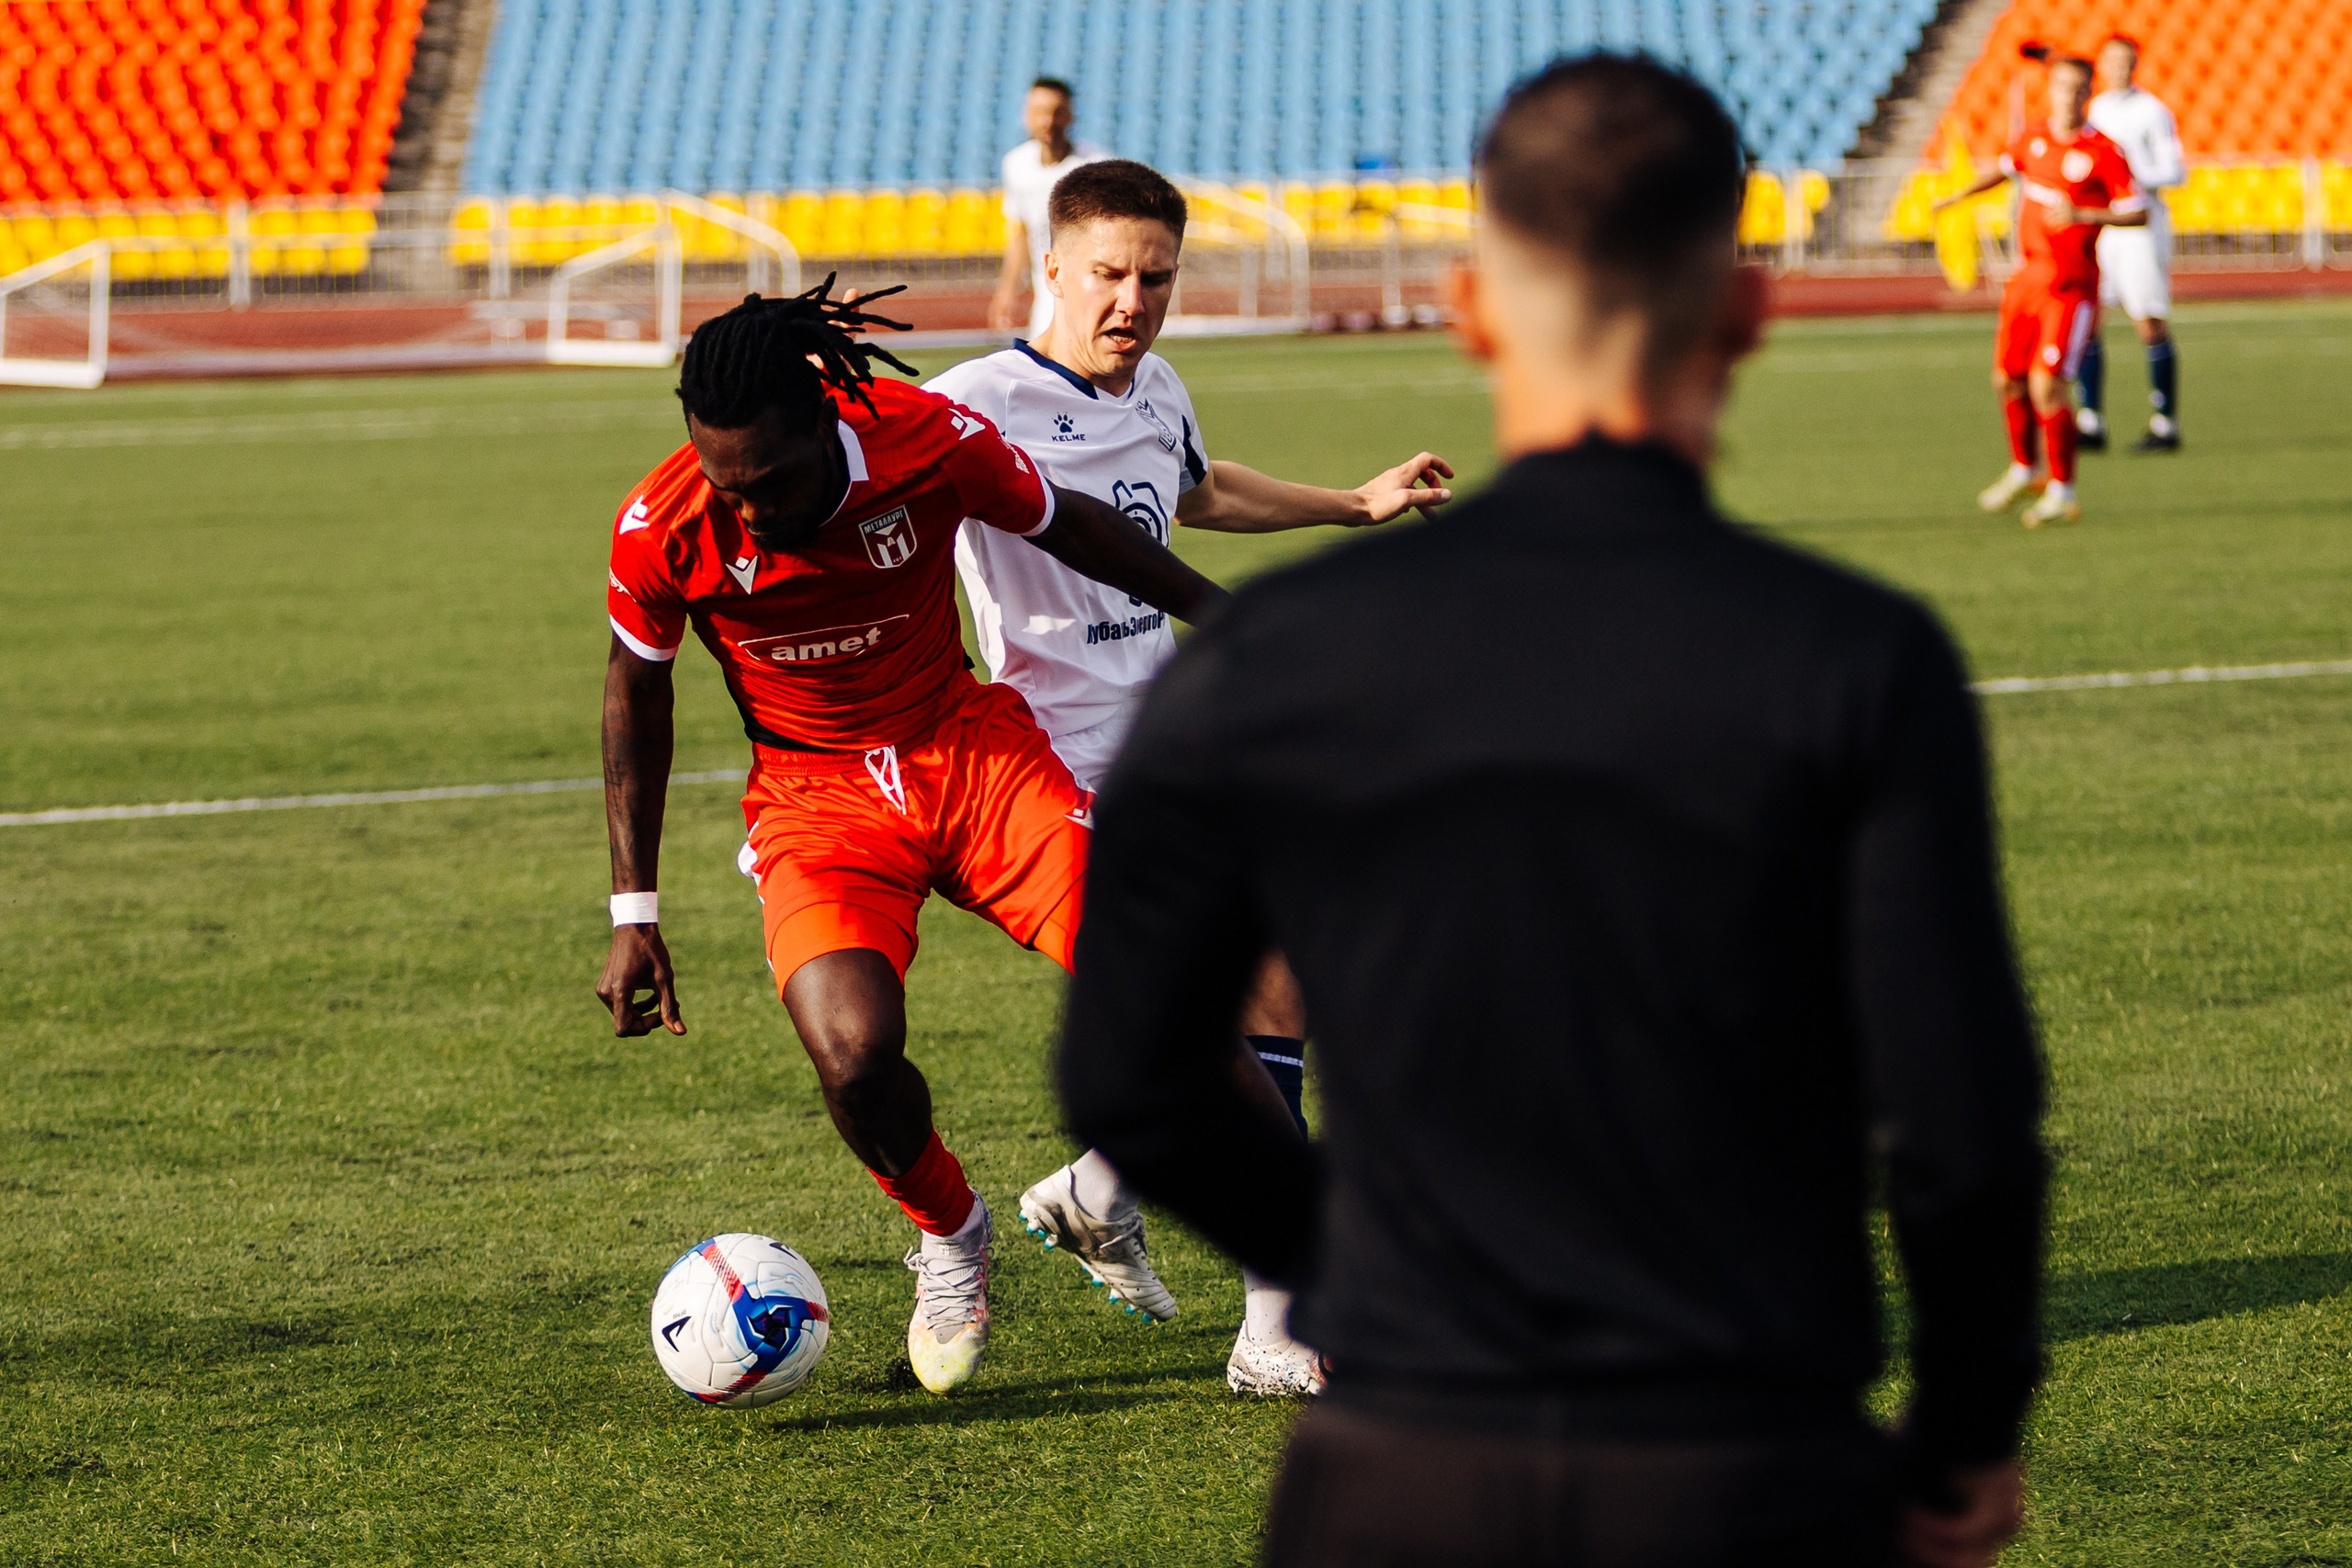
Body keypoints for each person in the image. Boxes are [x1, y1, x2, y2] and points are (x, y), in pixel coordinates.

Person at [1060, 54, 2045, 1568]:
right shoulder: (1858, 657)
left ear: (1473, 310)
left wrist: (1356, 1273)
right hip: (1740, 1447)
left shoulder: (1274, 656)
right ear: (1745, 315)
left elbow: (1129, 1069)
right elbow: (1962, 1117)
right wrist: (1968, 1429)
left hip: (1401, 1468)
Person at [595, 279, 1226, 1397]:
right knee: (853, 1057)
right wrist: (633, 911)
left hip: (971, 759)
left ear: (822, 421)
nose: (749, 512)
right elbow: (634, 695)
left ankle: (1189, 1235)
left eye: (771, 482)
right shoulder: (665, 525)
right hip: (817, 804)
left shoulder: (923, 441)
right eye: (727, 485)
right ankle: (951, 1236)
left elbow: (1072, 523)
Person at [926, 158, 1453, 1397]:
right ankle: (1270, 1317)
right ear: (1052, 268)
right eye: (1108, 274)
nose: (1132, 301)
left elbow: (1198, 490)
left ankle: (1105, 1189)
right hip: (1051, 765)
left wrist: (1352, 502)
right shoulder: (970, 404)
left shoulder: (1158, 386)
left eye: (1155, 277)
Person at [1935, 51, 2146, 529]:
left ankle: (2063, 492)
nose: (2068, 96)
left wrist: (2084, 214)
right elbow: (2005, 168)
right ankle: (2023, 469)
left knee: (2047, 385)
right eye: (2061, 87)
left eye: (2077, 88)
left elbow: (2138, 211)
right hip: (2025, 280)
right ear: (2050, 90)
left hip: (2069, 288)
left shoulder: (2103, 152)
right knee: (2006, 379)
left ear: (2088, 93)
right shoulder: (2033, 136)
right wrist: (1959, 194)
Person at [2079, 33, 2185, 452]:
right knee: (2089, 319)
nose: (2118, 68)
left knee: (2148, 319)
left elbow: (2174, 170)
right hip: (2103, 225)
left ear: (2135, 65)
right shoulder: (2095, 110)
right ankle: (2091, 421)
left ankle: (2165, 423)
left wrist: (2129, 175)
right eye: (2111, 60)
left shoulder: (2152, 111)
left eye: (2125, 61)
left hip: (2140, 227)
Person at [989, 78, 1109, 339]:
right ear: (1026, 116)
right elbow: (1021, 230)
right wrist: (1007, 289)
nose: (1048, 121)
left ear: (1070, 115)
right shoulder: (1016, 164)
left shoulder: (1095, 166)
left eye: (1056, 112)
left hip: (1090, 287)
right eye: (1039, 112)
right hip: (1048, 288)